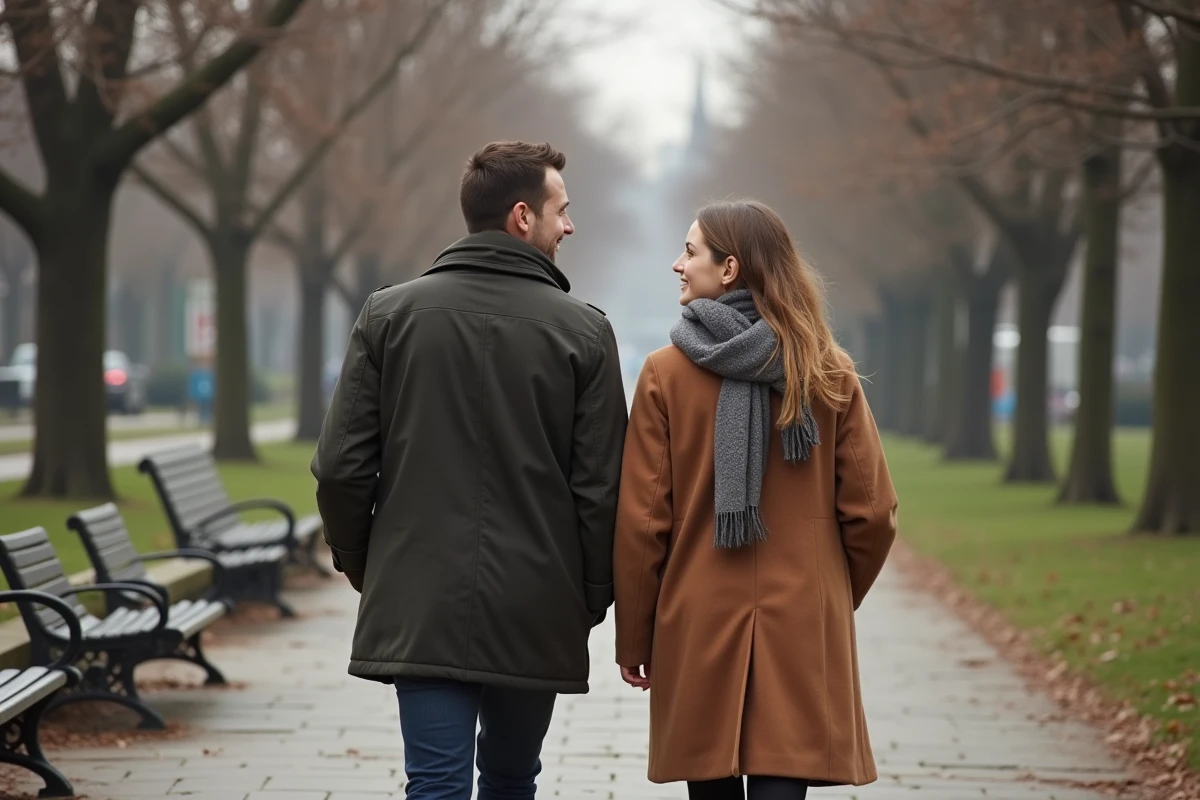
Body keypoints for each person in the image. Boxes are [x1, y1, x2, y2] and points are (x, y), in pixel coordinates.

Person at [311, 140, 628, 800]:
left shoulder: (389, 315)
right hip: (538, 598)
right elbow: (600, 490)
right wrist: (590, 595)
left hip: (420, 591)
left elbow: (342, 468)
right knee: (512, 776)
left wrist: (368, 566)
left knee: (436, 784)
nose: (569, 225)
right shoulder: (585, 333)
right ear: (522, 217)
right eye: (561, 211)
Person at [613, 200, 898, 800]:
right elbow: (872, 514)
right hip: (802, 618)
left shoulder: (665, 374)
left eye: (690, 252)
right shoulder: (828, 372)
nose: (677, 264)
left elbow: (643, 523)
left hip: (697, 616)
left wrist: (635, 637)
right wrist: (830, 591)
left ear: (731, 268)